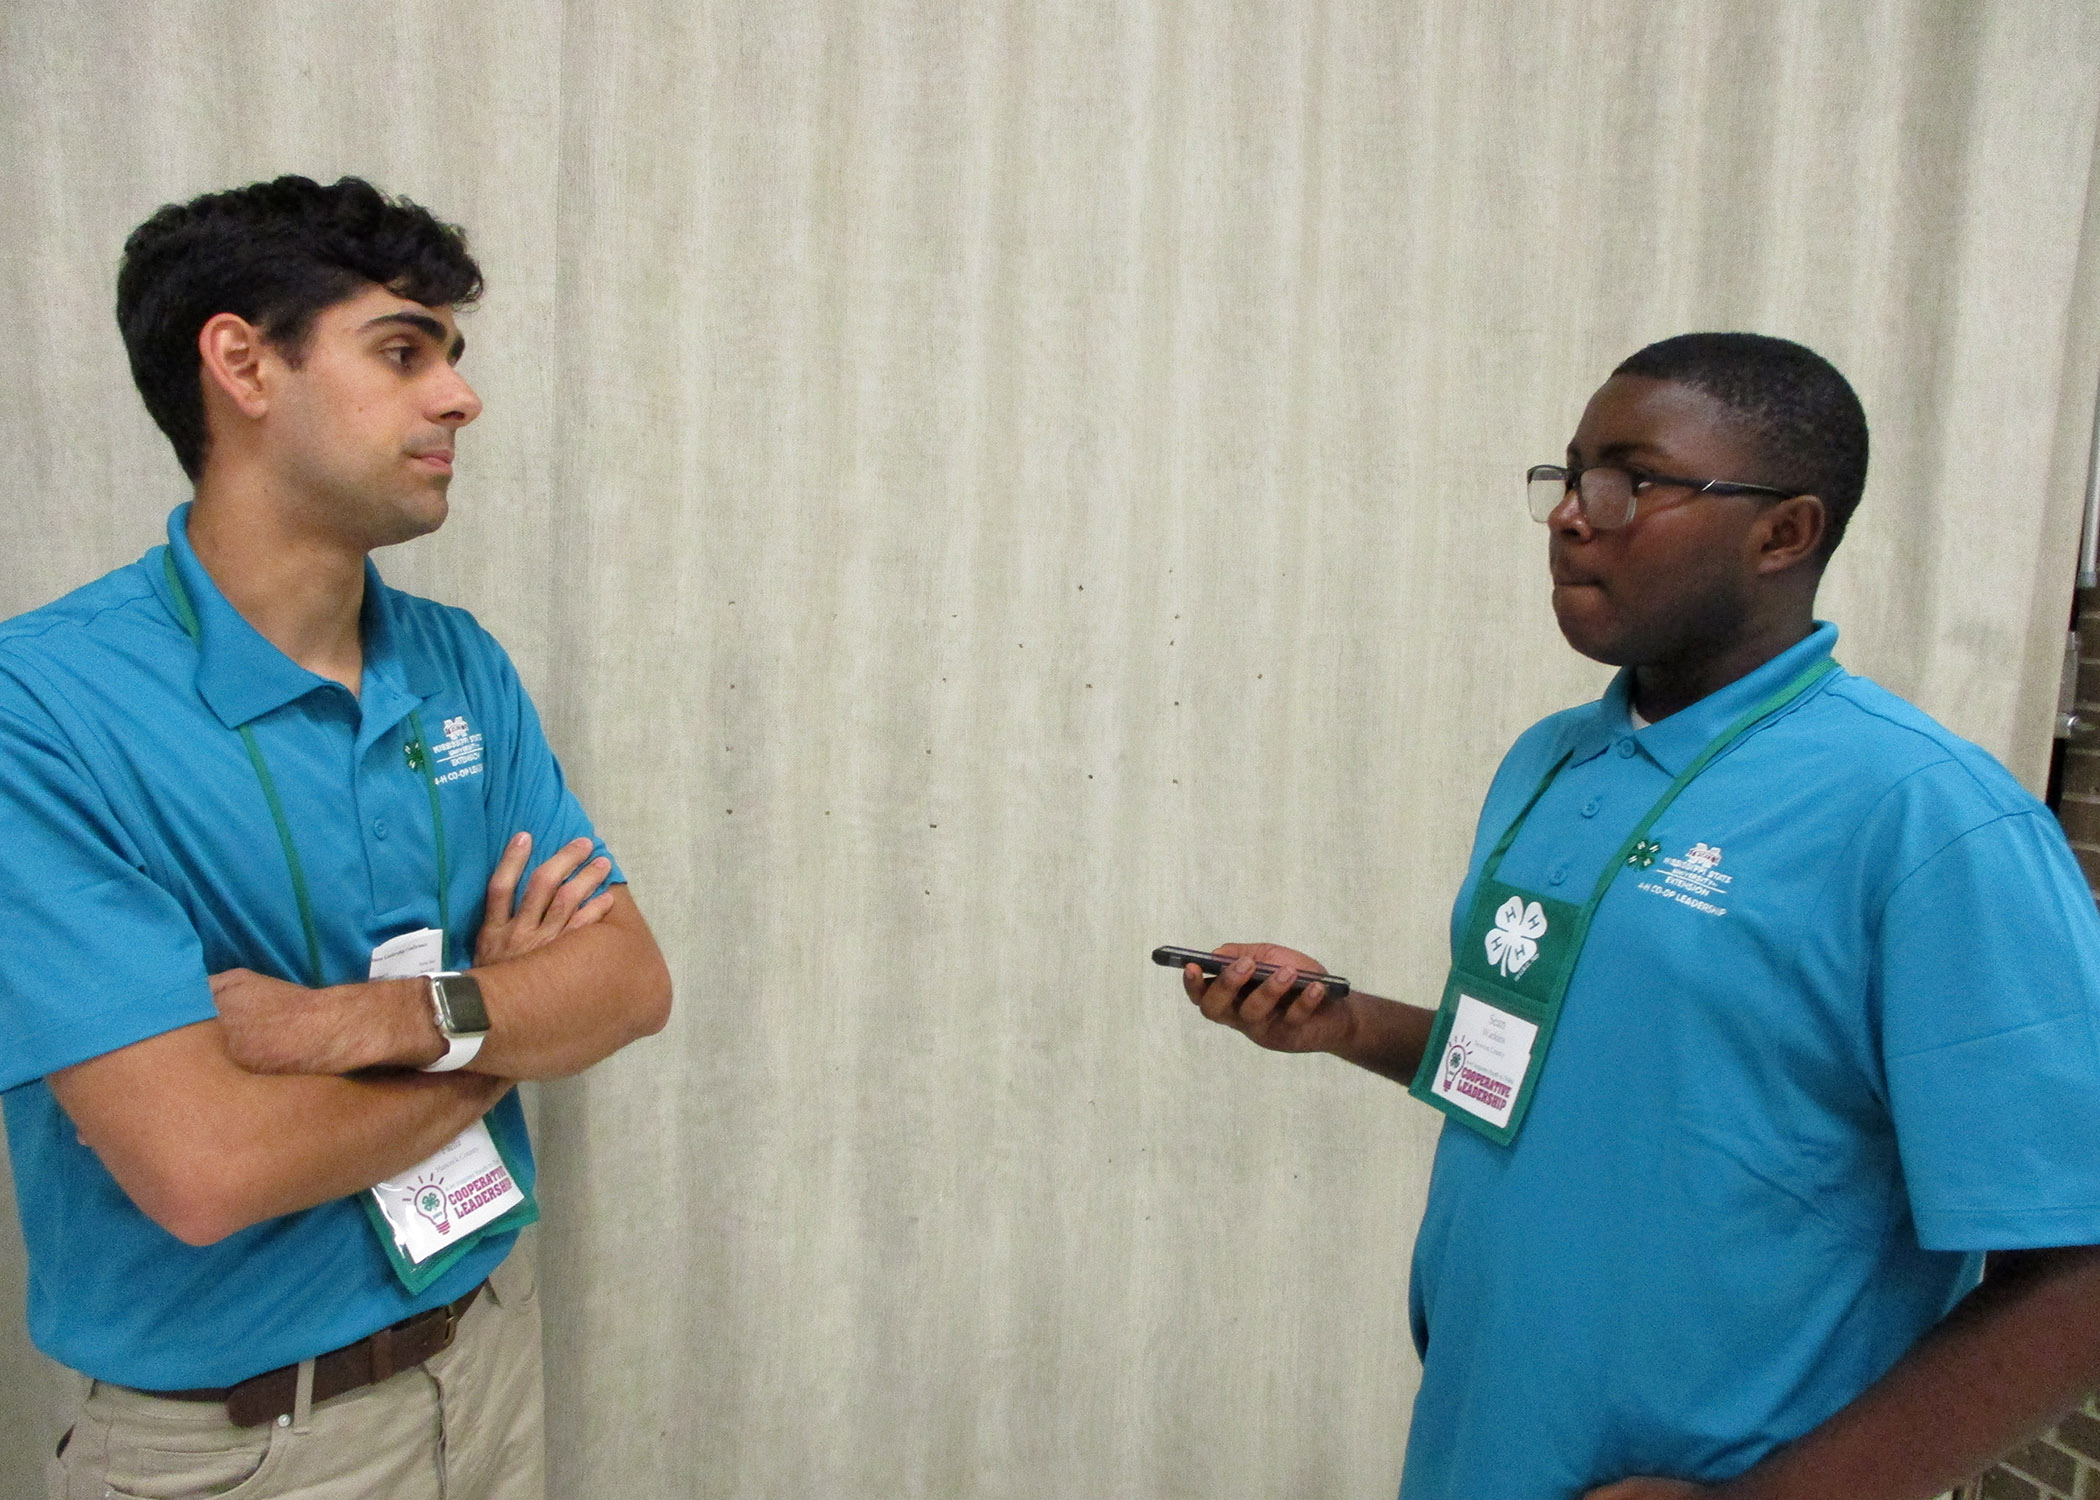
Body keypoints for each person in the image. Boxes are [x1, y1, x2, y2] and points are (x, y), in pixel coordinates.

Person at [1186, 333, 2100, 1500]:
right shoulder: (1554, 763)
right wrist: (1342, 1020)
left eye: (1631, 481)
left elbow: (2075, 1269)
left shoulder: (1927, 819)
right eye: (1568, 477)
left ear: (1785, 532)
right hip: (1483, 1444)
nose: (1575, 514)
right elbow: (1546, 1071)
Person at [0, 176, 673, 1499]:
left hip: (484, 1369)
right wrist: (499, 1037)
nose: (459, 398)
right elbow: (206, 1168)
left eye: (452, 359)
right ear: (243, 363)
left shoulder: (456, 664)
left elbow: (628, 985)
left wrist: (344, 1026)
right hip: (244, 1448)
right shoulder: (44, 711)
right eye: (402, 349)